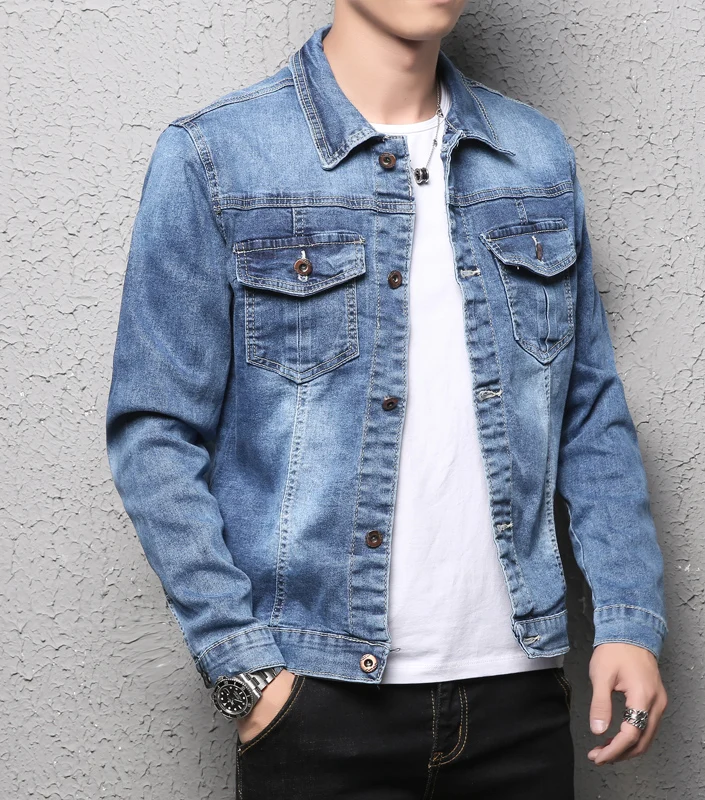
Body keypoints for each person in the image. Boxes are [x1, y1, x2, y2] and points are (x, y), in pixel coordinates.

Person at [105, 2, 668, 797]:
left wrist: (629, 618)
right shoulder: (216, 156)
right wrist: (245, 675)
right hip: (317, 703)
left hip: (520, 701)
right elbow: (154, 431)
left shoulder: (534, 154)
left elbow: (588, 410)